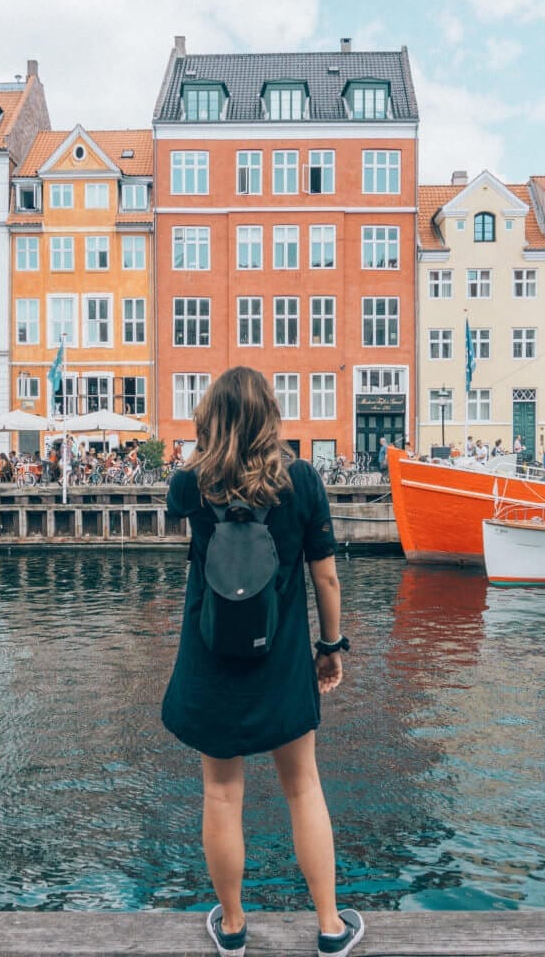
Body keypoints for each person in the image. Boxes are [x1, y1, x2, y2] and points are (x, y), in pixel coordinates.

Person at [162, 367, 363, 957]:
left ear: (211, 417)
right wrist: (331, 648)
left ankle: (232, 927)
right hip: (282, 659)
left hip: (211, 657)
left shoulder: (190, 484)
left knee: (222, 794)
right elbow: (324, 575)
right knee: (303, 788)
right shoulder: (301, 479)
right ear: (270, 414)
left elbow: (192, 543)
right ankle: (329, 927)